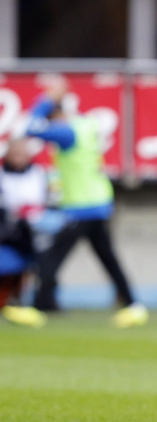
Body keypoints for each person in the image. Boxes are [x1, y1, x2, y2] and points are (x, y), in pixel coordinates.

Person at [25, 79, 148, 328]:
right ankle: (133, 305)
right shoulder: (84, 124)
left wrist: (46, 100)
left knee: (52, 257)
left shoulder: (66, 130)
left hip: (81, 206)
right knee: (107, 258)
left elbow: (30, 127)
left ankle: (37, 307)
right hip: (98, 202)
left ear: (58, 113)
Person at [0, 138, 48, 327]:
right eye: (15, 154)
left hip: (33, 230)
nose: (19, 158)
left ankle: (32, 302)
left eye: (22, 154)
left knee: (41, 264)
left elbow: (44, 199)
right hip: (7, 232)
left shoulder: (38, 173)